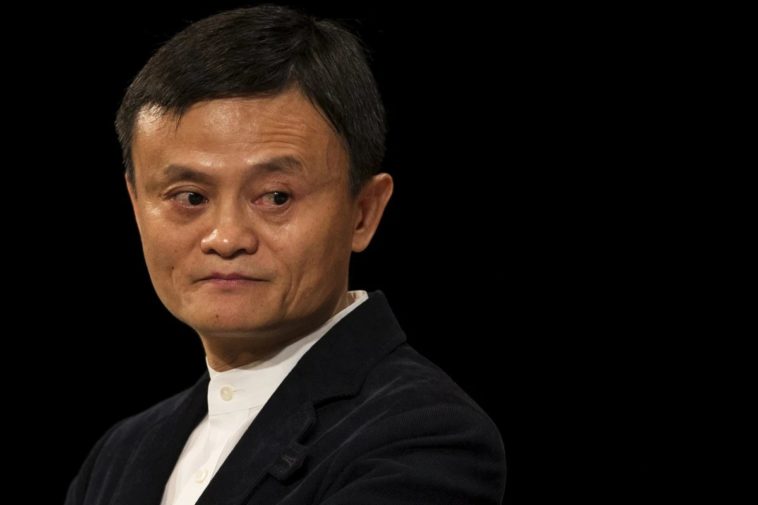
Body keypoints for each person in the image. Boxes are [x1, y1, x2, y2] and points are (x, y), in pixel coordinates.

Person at [65, 5, 506, 504]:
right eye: (190, 197)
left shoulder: (425, 437)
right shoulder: (119, 456)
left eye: (276, 197)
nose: (226, 238)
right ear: (136, 205)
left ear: (363, 212)